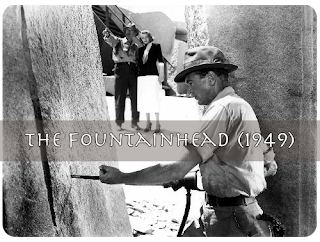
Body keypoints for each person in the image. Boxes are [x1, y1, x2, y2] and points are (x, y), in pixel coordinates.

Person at [99, 46, 278, 237]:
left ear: (210, 78)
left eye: (191, 83)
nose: (189, 91)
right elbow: (269, 165)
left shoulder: (223, 109)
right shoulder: (239, 107)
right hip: (231, 212)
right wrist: (203, 178)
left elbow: (176, 167)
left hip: (231, 218)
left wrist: (121, 177)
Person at [102, 23, 141, 131]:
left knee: (135, 98)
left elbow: (138, 60)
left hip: (133, 70)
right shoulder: (118, 42)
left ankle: (135, 122)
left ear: (135, 33)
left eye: (132, 31)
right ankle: (119, 123)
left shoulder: (136, 47)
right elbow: (111, 39)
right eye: (127, 30)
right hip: (121, 69)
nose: (129, 32)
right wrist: (108, 34)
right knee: (120, 97)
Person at [137, 30, 164, 133]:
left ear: (150, 37)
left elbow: (161, 61)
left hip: (153, 76)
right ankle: (148, 123)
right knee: (145, 100)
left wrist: (161, 75)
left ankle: (157, 123)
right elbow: (139, 65)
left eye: (146, 37)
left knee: (154, 99)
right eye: (142, 38)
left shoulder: (156, 46)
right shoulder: (140, 50)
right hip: (142, 77)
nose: (144, 39)